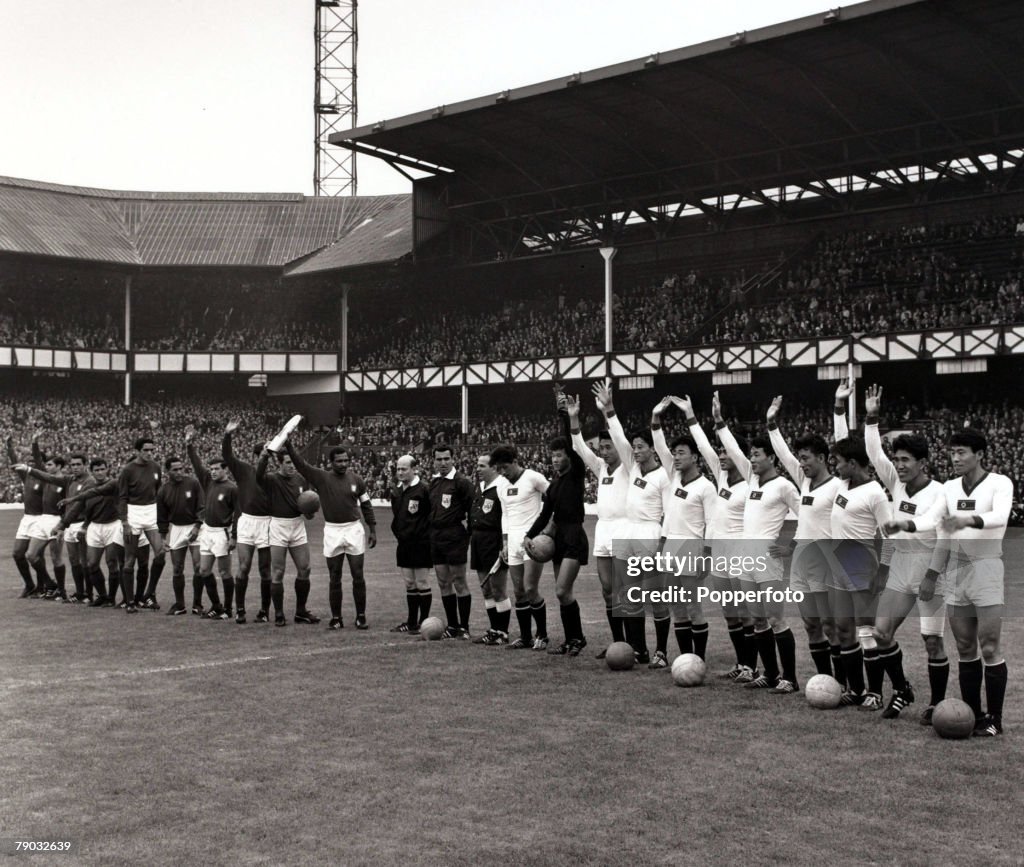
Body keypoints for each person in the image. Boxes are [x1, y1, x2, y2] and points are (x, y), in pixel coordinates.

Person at [886, 428, 1011, 736]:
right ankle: (973, 714)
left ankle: (994, 719)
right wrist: (907, 523)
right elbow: (934, 520)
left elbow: (1000, 516)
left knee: (990, 645)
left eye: (961, 453)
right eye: (952, 453)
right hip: (956, 573)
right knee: (966, 647)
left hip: (985, 569)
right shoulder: (950, 488)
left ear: (979, 454)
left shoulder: (999, 483)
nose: (955, 458)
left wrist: (968, 520)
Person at [863, 384, 947, 722]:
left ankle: (937, 703)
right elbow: (874, 454)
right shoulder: (895, 483)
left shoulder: (940, 494)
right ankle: (902, 689)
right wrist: (872, 417)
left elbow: (946, 540)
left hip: (930, 570)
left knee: (931, 640)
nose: (898, 466)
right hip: (899, 568)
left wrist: (931, 576)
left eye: (906, 460)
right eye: (896, 460)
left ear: (922, 462)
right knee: (880, 633)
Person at [717, 391, 802, 693]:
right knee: (757, 620)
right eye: (750, 455)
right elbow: (731, 449)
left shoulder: (784, 486)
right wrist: (718, 421)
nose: (751, 459)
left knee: (777, 619)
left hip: (768, 558)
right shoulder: (752, 481)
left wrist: (790, 546)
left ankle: (789, 678)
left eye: (757, 455)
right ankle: (769, 673)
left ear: (770, 457)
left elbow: (808, 516)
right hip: (744, 557)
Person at [765, 388, 847, 685]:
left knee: (831, 624)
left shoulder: (839, 485)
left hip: (828, 561)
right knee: (811, 623)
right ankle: (824, 680)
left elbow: (845, 447)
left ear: (824, 458)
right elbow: (783, 455)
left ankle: (843, 681)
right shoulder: (804, 482)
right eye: (800, 459)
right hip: (802, 561)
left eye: (807, 458)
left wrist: (839, 407)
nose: (801, 464)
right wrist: (772, 424)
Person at [674, 396, 757, 681]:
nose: (721, 456)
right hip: (720, 554)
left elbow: (732, 449)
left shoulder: (750, 481)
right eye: (720, 452)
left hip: (741, 553)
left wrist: (720, 421)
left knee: (747, 613)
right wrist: (690, 416)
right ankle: (741, 663)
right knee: (730, 613)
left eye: (726, 453)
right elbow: (705, 448)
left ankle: (752, 667)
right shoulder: (721, 479)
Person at [523, 389, 590, 656]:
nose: (555, 458)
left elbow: (574, 448)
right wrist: (528, 535)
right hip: (556, 538)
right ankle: (573, 639)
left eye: (559, 455)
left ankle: (577, 638)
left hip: (574, 536)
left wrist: (566, 415)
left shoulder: (575, 476)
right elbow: (543, 515)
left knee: (562, 590)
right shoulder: (553, 486)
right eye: (552, 455)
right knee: (562, 593)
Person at [285, 439, 377, 630]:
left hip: (353, 529)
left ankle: (361, 616)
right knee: (334, 576)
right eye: (339, 461)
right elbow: (301, 465)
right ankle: (336, 618)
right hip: (333, 530)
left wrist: (372, 529)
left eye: (345, 461)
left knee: (357, 575)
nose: (343, 464)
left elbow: (366, 504)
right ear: (331, 462)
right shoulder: (322, 478)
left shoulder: (357, 480)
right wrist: (289, 446)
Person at [651, 397, 717, 661]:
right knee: (676, 607)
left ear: (695, 457)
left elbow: (711, 524)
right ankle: (685, 659)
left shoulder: (706, 487)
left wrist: (706, 556)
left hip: (691, 547)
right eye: (674, 453)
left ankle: (697, 659)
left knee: (693, 607)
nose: (676, 457)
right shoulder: (673, 477)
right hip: (670, 547)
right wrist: (656, 418)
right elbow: (659, 445)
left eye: (681, 453)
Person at [827, 436, 891, 708]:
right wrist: (840, 405)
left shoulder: (876, 494)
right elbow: (843, 437)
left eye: (839, 463)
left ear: (853, 464)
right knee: (843, 630)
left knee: (866, 631)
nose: (836, 468)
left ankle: (875, 693)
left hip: (862, 567)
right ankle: (855, 689)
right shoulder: (843, 485)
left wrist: (883, 572)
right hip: (837, 567)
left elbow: (890, 536)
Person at [568, 398, 630, 657]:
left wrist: (608, 409)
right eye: (601, 447)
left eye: (608, 447)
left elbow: (622, 440)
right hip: (603, 531)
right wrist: (573, 418)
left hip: (624, 530)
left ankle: (635, 645)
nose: (603, 451)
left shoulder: (629, 467)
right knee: (607, 590)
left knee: (624, 590)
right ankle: (618, 643)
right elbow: (580, 448)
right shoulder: (601, 468)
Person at [490, 443, 549, 650]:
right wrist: (505, 542)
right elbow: (505, 516)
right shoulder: (500, 485)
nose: (502, 472)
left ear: (515, 461)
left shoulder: (534, 478)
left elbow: (552, 500)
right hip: (513, 542)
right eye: (499, 468)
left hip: (532, 542)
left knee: (531, 588)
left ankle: (542, 634)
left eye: (505, 467)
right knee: (519, 591)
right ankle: (525, 637)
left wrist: (546, 531)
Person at [256, 444, 318, 627]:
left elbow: (305, 507)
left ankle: (301, 611)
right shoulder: (272, 480)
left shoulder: (300, 479)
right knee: (278, 572)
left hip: (297, 525)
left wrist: (310, 511)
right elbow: (258, 476)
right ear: (280, 464)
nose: (292, 466)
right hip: (278, 526)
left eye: (293, 463)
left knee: (305, 569)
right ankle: (279, 613)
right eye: (288, 463)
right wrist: (264, 457)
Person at [223, 419, 272, 623]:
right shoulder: (244, 470)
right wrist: (227, 435)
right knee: (244, 567)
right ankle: (240, 609)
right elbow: (227, 455)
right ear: (256, 456)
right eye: (265, 455)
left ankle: (264, 611)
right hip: (247, 522)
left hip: (268, 523)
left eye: (271, 456)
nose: (269, 459)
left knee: (265, 570)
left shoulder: (275, 477)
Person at [187, 429, 240, 620]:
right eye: (212, 469)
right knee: (203, 570)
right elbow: (196, 464)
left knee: (225, 571)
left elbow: (238, 514)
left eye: (218, 468)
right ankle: (216, 606)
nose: (214, 471)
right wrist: (189, 445)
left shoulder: (232, 488)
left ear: (226, 470)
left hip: (222, 533)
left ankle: (227, 609)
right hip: (207, 531)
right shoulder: (208, 482)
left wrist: (234, 536)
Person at [427, 444, 475, 639]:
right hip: (436, 537)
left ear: (453, 459)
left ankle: (464, 626)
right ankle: (452, 625)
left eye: (446, 459)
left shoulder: (461, 482)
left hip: (455, 536)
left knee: (459, 581)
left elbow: (473, 510)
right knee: (442, 582)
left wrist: (468, 534)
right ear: (434, 461)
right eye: (439, 459)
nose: (443, 463)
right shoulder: (434, 483)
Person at [117, 434, 166, 614]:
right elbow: (122, 497)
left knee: (160, 553)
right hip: (133, 513)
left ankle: (149, 593)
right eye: (146, 450)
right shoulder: (128, 470)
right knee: (130, 560)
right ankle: (130, 601)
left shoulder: (156, 467)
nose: (149, 453)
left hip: (151, 512)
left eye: (152, 450)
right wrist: (125, 522)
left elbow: (158, 491)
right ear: (137, 451)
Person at [470, 453, 511, 645]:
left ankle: (502, 632)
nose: (478, 468)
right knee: (486, 588)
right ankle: (493, 630)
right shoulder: (479, 487)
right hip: (478, 540)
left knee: (498, 589)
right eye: (477, 465)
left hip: (494, 541)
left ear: (494, 468)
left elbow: (508, 517)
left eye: (482, 465)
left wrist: (505, 542)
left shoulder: (502, 486)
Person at [157, 453, 205, 615]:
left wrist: (197, 527)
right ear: (167, 472)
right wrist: (163, 538)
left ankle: (197, 604)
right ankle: (180, 604)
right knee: (177, 568)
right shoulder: (163, 490)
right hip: (177, 529)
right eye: (175, 470)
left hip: (195, 527)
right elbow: (162, 517)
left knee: (199, 567)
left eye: (181, 469)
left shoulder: (193, 483)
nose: (179, 472)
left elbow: (202, 506)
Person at [389, 454, 432, 633]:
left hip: (421, 543)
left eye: (404, 469)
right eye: (398, 469)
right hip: (404, 544)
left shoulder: (424, 490)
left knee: (422, 583)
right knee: (409, 584)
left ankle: (424, 623)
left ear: (414, 469)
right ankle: (411, 621)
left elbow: (430, 516)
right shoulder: (397, 491)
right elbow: (397, 517)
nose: (400, 472)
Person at [6, 435, 48, 597]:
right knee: (17, 553)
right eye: (28, 462)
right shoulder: (27, 477)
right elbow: (15, 462)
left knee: (36, 555)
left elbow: (38, 458)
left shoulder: (43, 477)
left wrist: (34, 443)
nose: (29, 464)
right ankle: (30, 585)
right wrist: (9, 447)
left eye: (33, 462)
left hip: (41, 518)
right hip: (27, 518)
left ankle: (42, 586)